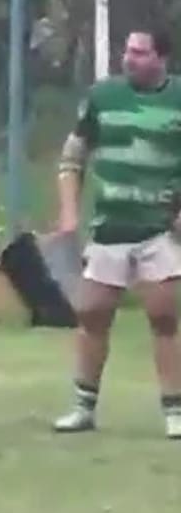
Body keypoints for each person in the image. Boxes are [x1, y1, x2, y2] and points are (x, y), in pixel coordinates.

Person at [53, 29, 181, 438]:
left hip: (160, 228)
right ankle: (83, 407)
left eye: (140, 52)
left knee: (164, 315)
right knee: (91, 313)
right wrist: (70, 213)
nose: (129, 58)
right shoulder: (102, 97)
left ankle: (174, 410)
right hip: (110, 227)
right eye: (127, 51)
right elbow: (72, 157)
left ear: (162, 58)